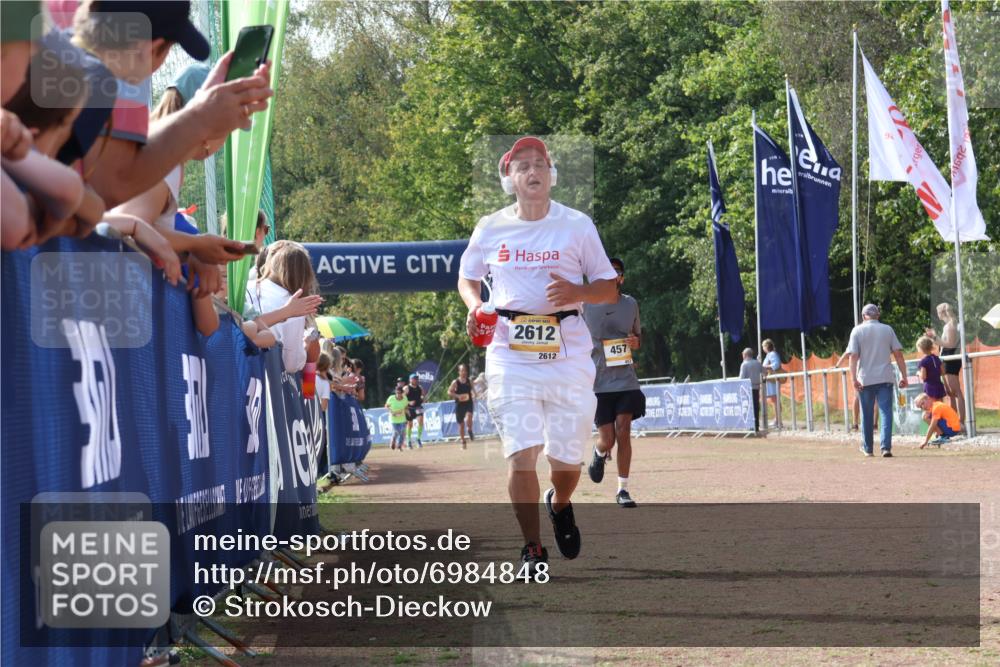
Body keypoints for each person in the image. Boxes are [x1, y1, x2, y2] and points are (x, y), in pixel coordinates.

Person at [457, 136, 618, 575]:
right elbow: (467, 277)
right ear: (509, 179)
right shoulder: (490, 227)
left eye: (540, 164)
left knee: (565, 463)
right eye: (522, 165)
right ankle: (532, 548)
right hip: (509, 353)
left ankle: (560, 501)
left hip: (568, 351)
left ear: (551, 174)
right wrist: (475, 307)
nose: (533, 171)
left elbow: (608, 287)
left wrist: (577, 291)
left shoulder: (577, 225)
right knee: (521, 450)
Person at [583, 256, 643, 507]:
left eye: (617, 271)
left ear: (622, 278)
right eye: (609, 271)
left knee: (624, 431)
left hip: (626, 380)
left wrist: (634, 343)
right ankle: (599, 453)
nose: (613, 275)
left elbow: (638, 338)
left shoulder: (630, 304)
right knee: (608, 439)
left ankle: (623, 490)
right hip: (598, 383)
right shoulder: (585, 305)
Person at [847, 304, 908, 457]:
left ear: (863, 316)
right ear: (878, 315)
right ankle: (885, 447)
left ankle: (868, 449)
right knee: (886, 413)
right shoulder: (888, 329)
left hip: (865, 378)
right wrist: (904, 376)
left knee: (866, 414)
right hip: (885, 377)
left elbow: (853, 357)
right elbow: (898, 354)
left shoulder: (857, 330)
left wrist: (853, 378)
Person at [925, 303, 965, 429]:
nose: (937, 315)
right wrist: (934, 338)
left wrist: (935, 337)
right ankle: (953, 420)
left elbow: (950, 344)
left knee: (956, 392)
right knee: (951, 393)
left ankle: (961, 421)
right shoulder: (949, 325)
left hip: (951, 359)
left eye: (938, 312)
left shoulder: (950, 326)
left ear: (942, 313)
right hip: (949, 358)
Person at [447, 364, 475, 449]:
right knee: (461, 424)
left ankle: (469, 429)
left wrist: (475, 395)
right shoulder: (455, 382)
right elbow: (449, 392)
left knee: (469, 416)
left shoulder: (469, 381)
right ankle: (463, 441)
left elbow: (473, 390)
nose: (464, 372)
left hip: (468, 402)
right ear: (459, 372)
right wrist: (458, 396)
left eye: (465, 370)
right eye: (462, 370)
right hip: (460, 404)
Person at [738, 348, 764, 433]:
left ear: (745, 355)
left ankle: (750, 426)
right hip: (756, 387)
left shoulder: (744, 364)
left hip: (747, 389)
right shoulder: (757, 363)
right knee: (756, 406)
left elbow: (741, 378)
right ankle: (756, 426)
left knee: (748, 407)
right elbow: (765, 371)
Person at [916, 336, 947, 405]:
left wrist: (918, 373)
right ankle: (942, 416)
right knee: (940, 406)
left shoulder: (923, 362)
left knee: (932, 406)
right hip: (938, 385)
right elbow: (943, 372)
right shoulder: (937, 358)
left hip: (930, 387)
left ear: (921, 348)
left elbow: (923, 377)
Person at [761, 339, 783, 428]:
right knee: (774, 400)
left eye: (763, 346)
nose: (762, 348)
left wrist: (765, 366)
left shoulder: (772, 354)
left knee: (775, 400)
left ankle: (778, 421)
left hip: (773, 380)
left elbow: (776, 364)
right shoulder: (769, 355)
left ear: (766, 346)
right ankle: (777, 420)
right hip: (770, 381)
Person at [385, 385, 408, 451]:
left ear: (402, 393)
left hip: (402, 419)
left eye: (399, 393)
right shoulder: (391, 398)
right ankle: (393, 440)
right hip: (393, 418)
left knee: (403, 432)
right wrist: (391, 412)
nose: (398, 394)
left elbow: (406, 407)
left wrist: (405, 411)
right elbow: (386, 406)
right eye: (397, 393)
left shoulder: (405, 398)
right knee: (396, 432)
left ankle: (399, 445)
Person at [405, 373, 425, 449]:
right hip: (409, 408)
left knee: (421, 421)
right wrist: (409, 402)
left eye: (416, 378)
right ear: (410, 380)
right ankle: (409, 441)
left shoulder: (420, 387)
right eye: (414, 379)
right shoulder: (406, 388)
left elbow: (423, 395)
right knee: (410, 424)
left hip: (418, 407)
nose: (416, 380)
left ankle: (418, 439)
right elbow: (401, 399)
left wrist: (423, 398)